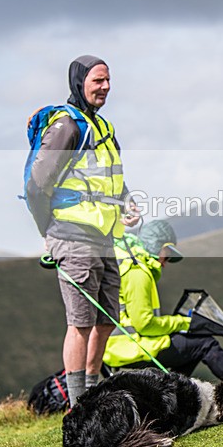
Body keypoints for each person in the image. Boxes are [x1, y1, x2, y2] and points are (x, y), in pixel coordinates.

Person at [26, 55, 140, 408]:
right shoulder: (67, 127)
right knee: (80, 322)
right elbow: (36, 186)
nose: (105, 87)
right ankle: (78, 405)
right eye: (97, 81)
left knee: (106, 318)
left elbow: (110, 179)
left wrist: (127, 202)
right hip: (72, 235)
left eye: (107, 80)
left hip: (104, 236)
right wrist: (48, 231)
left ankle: (93, 390)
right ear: (80, 83)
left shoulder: (103, 128)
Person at [102, 220, 223, 405]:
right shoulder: (139, 273)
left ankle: (168, 399)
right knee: (204, 344)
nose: (166, 261)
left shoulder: (134, 266)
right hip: (129, 347)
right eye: (166, 253)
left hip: (123, 345)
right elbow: (144, 324)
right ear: (155, 245)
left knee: (194, 346)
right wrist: (184, 323)